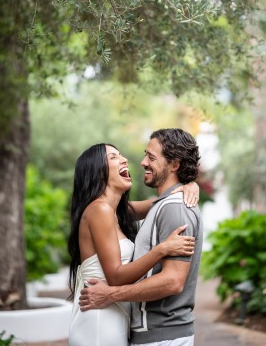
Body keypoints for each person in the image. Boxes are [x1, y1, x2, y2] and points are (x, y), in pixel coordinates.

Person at [79, 129, 203, 346]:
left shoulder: (123, 211)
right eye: (113, 157)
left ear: (174, 165)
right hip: (101, 315)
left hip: (141, 325)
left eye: (151, 157)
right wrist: (161, 249)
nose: (140, 161)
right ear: (98, 171)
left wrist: (189, 184)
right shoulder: (101, 210)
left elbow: (173, 281)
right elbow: (116, 276)